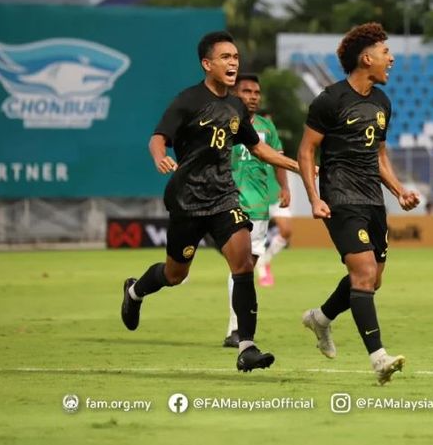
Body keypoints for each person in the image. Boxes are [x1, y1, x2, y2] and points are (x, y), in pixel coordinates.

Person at [120, 31, 300, 372]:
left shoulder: (235, 106)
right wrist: (160, 156)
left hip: (223, 198)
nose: (233, 62)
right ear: (207, 64)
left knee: (244, 263)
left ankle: (246, 345)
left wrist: (303, 169)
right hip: (187, 200)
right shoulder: (188, 100)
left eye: (235, 57)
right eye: (225, 57)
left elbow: (258, 148)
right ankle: (135, 292)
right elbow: (158, 138)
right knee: (174, 274)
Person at [297, 22, 420, 385]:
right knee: (364, 274)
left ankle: (320, 318)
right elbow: (306, 151)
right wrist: (315, 199)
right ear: (366, 59)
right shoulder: (330, 100)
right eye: (386, 52)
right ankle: (379, 358)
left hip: (373, 199)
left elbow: (379, 156)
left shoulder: (382, 102)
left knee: (372, 279)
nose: (391, 58)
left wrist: (399, 190)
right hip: (340, 197)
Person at [222, 73, 290, 347]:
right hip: (229, 201)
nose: (252, 96)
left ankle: (237, 328)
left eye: (256, 92)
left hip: (260, 205)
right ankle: (235, 328)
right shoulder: (224, 123)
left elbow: (278, 158)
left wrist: (284, 188)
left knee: (246, 265)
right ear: (235, 94)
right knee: (240, 264)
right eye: (247, 91)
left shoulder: (266, 127)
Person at [255, 158, 293, 287]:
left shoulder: (271, 139)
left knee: (286, 231)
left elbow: (280, 164)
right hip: (255, 195)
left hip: (274, 194)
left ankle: (264, 260)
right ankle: (262, 273)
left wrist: (285, 188)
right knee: (255, 239)